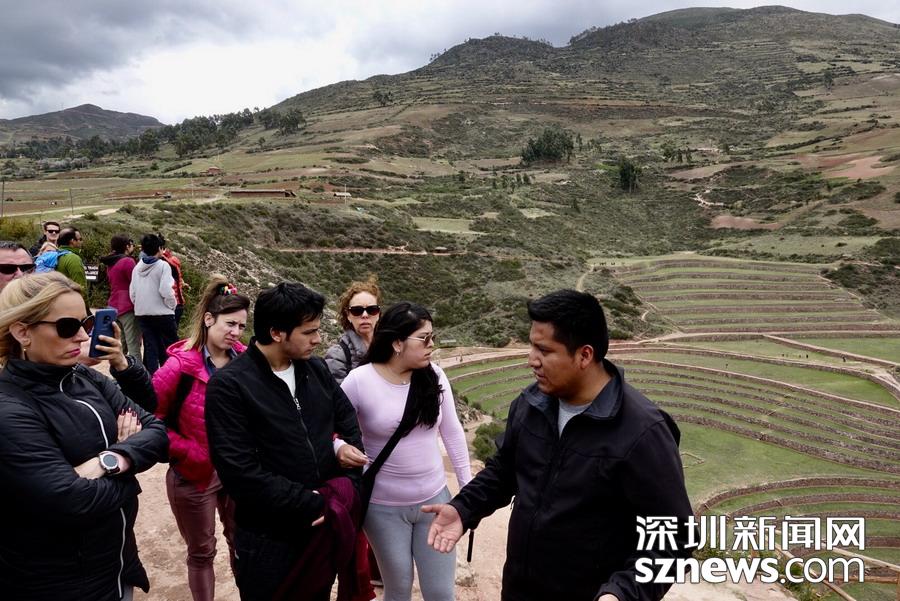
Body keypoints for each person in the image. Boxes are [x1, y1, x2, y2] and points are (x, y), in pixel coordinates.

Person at [423, 290, 693, 601]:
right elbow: (505, 470)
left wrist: (622, 593)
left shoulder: (643, 431)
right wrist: (464, 508)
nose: (531, 360)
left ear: (584, 355)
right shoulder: (531, 403)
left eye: (544, 350)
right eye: (531, 346)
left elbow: (676, 538)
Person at [0, 271, 168, 601]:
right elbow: (72, 501)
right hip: (58, 586)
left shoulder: (85, 377)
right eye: (67, 326)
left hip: (115, 569)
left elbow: (158, 433)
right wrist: (131, 474)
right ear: (22, 332)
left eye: (86, 323)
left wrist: (110, 459)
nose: (81, 336)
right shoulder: (9, 407)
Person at [205, 282, 365, 601]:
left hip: (320, 529)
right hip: (268, 540)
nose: (317, 339)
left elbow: (347, 422)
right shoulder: (230, 386)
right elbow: (239, 472)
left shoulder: (316, 370)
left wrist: (345, 481)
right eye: (309, 332)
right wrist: (313, 502)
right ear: (277, 333)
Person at [340, 302, 471, 601]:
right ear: (397, 343)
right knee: (397, 589)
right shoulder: (360, 381)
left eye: (432, 337)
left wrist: (467, 491)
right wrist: (340, 447)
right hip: (382, 508)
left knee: (440, 593)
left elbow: (452, 432)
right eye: (424, 338)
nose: (432, 345)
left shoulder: (434, 376)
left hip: (435, 502)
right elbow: (330, 429)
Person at [153, 276, 249, 601]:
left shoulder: (246, 362)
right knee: (201, 551)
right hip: (194, 474)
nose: (236, 332)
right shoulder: (178, 368)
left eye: (241, 326)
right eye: (230, 324)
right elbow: (151, 419)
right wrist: (189, 453)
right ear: (209, 319)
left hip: (238, 472)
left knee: (243, 544)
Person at [130, 233, 177, 374]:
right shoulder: (163, 266)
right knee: (171, 347)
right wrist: (172, 305)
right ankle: (170, 375)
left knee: (151, 347)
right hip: (163, 313)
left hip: (142, 313)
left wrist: (140, 305)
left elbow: (132, 293)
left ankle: (152, 378)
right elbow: (166, 290)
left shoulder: (137, 267)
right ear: (159, 248)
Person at [325, 277, 382, 384]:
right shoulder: (337, 356)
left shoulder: (391, 348)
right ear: (348, 315)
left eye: (372, 310)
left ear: (378, 314)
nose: (365, 315)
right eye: (357, 311)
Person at [102, 235, 141, 362]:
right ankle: (138, 372)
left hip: (113, 305)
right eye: (131, 245)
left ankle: (117, 370)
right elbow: (135, 283)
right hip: (127, 307)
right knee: (133, 345)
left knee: (120, 345)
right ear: (126, 246)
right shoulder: (128, 261)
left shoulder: (110, 262)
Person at [159, 234, 188, 328]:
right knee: (172, 330)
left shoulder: (160, 262)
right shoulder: (173, 260)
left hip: (168, 303)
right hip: (178, 301)